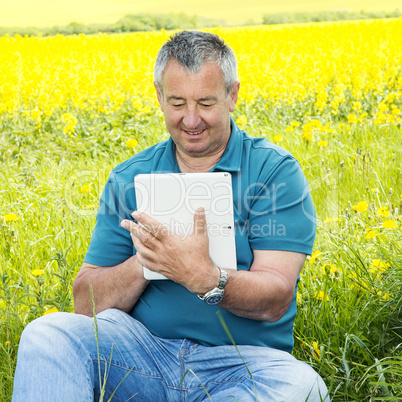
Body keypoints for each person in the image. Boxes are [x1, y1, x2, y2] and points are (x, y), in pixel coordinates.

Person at [13, 30, 329, 401]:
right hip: (142, 353)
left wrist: (203, 276)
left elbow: (275, 296)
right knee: (47, 333)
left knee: (302, 386)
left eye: (206, 103)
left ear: (232, 95)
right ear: (159, 97)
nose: (191, 120)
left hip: (244, 364)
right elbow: (86, 303)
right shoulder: (129, 176)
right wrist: (149, 261)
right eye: (177, 103)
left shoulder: (273, 171)